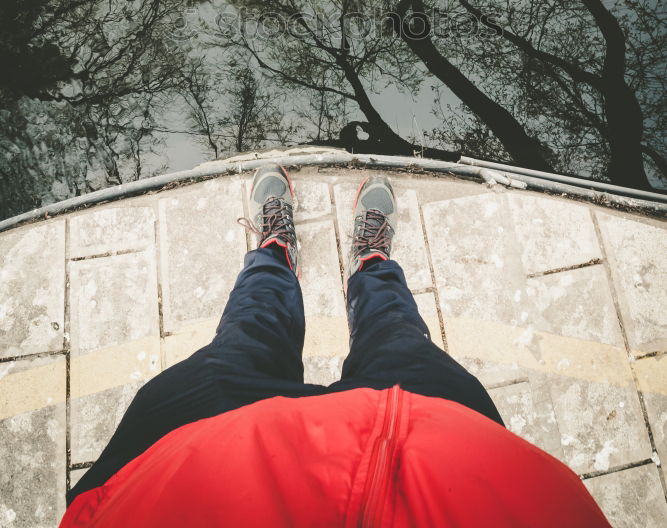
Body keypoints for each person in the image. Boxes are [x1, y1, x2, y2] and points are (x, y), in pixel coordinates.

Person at [61, 164, 611, 527]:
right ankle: (372, 265)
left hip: (198, 457)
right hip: (430, 458)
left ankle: (273, 254)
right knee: (397, 335)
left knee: (248, 332)